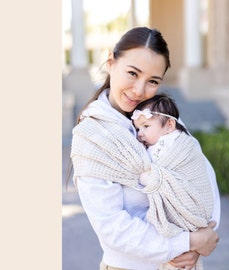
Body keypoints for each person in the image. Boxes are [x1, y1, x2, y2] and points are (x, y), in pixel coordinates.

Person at [69, 26, 220, 270]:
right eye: (132, 73)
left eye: (152, 81)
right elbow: (112, 227)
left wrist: (202, 241)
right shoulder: (92, 137)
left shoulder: (161, 118)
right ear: (111, 62)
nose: (139, 90)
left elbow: (202, 176)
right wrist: (187, 241)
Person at [131, 93, 215, 269]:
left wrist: (151, 177)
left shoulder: (177, 144)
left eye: (146, 126)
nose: (140, 134)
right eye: (138, 129)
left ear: (170, 125)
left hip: (191, 207)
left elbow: (166, 174)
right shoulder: (154, 144)